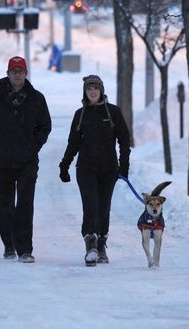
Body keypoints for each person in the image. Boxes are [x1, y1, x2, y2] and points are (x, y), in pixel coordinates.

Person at [0, 56, 51, 263]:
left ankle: (25, 249)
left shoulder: (37, 98)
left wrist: (33, 146)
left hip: (27, 161)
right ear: (8, 73)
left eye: (21, 71)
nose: (17, 74)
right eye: (14, 71)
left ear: (26, 73)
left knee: (25, 205)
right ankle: (9, 244)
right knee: (5, 204)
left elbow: (45, 126)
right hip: (2, 161)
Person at [59, 75, 130, 266]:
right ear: (85, 91)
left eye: (95, 89)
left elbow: (124, 140)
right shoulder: (80, 114)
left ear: (101, 91)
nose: (92, 92)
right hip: (86, 168)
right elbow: (73, 143)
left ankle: (101, 244)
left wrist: (124, 166)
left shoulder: (113, 112)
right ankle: (90, 244)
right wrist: (64, 165)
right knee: (90, 205)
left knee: (104, 206)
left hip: (109, 169)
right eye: (89, 89)